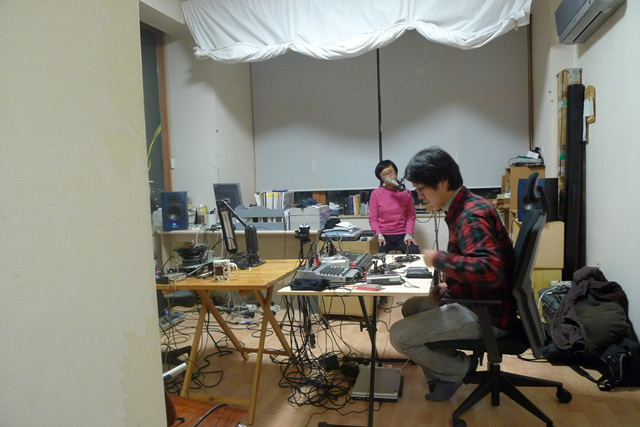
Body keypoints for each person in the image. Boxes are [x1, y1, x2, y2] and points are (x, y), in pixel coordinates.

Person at [389, 147, 517, 402]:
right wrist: (452, 287)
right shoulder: (464, 206)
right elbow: (476, 262)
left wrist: (439, 259)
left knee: (399, 335)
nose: (419, 197)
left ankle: (459, 369)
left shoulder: (471, 215)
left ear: (443, 182)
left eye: (422, 189)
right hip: (479, 299)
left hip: (487, 313)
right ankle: (442, 374)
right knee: (413, 307)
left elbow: (489, 270)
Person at [368, 159, 419, 254]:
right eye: (384, 174)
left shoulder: (405, 193)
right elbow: (373, 218)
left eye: (391, 172)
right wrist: (378, 235)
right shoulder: (376, 194)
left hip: (402, 234)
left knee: (414, 251)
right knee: (377, 252)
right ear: (380, 178)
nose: (389, 176)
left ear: (396, 172)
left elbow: (411, 216)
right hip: (383, 234)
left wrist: (409, 234)